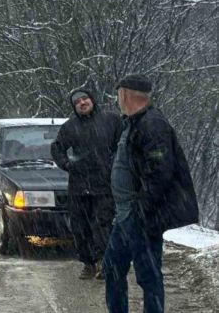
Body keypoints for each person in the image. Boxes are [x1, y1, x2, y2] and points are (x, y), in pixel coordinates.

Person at [104, 74, 199, 313]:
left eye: (118, 95)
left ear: (124, 94)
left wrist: (141, 211)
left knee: (148, 277)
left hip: (141, 217)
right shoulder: (133, 122)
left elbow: (160, 174)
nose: (117, 100)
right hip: (126, 216)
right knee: (112, 268)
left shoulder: (152, 124)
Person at [51, 88, 122, 279]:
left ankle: (105, 263)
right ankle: (88, 264)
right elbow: (57, 148)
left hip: (104, 185)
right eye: (77, 102)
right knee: (80, 227)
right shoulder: (69, 127)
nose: (82, 103)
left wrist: (117, 166)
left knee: (103, 225)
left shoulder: (112, 120)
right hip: (79, 186)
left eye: (85, 99)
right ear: (74, 108)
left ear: (92, 100)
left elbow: (124, 144)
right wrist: (67, 164)